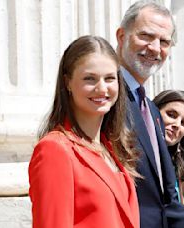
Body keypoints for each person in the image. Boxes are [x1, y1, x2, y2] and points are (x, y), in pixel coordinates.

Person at [28, 35, 140, 228]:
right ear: (68, 82)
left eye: (110, 78)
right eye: (90, 78)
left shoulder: (113, 148)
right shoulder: (54, 150)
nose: (102, 88)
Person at [116, 1, 184, 227]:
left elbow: (167, 202)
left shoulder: (152, 110)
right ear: (121, 35)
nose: (155, 48)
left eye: (164, 41)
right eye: (146, 36)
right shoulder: (106, 99)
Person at [153, 90, 184, 205]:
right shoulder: (136, 156)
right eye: (171, 115)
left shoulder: (177, 165)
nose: (177, 125)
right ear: (154, 110)